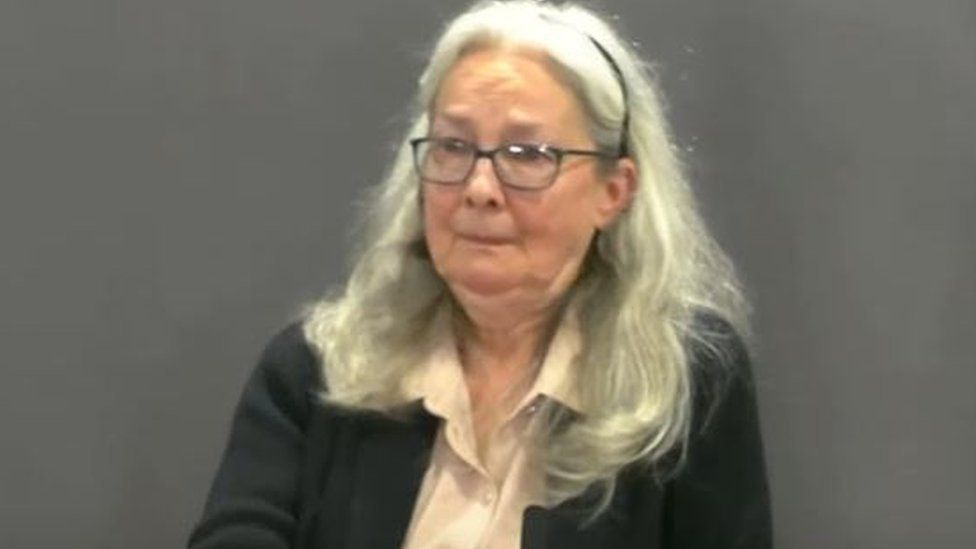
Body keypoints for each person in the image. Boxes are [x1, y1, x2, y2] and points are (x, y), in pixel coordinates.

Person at [187, 1, 771, 548]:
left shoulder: (685, 380)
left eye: (527, 155)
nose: (480, 188)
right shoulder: (317, 368)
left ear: (612, 191)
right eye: (453, 148)